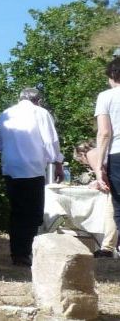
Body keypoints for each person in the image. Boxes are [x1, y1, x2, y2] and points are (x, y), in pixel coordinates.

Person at [0, 87, 63, 266]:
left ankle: (17, 253)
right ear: (37, 100)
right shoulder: (40, 113)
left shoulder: (4, 114)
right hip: (32, 168)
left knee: (17, 211)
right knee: (33, 213)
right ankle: (25, 253)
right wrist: (57, 163)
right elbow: (51, 141)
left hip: (10, 167)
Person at [91, 56, 120, 256]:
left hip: (118, 152)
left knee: (118, 205)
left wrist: (99, 166)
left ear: (112, 75)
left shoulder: (106, 96)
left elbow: (104, 133)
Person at [73, 140, 118, 257]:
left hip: (115, 186)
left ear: (82, 155)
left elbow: (103, 176)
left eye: (81, 162)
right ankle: (108, 247)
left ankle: (107, 249)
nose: (85, 164)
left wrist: (97, 184)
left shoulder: (91, 154)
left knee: (111, 215)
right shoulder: (99, 151)